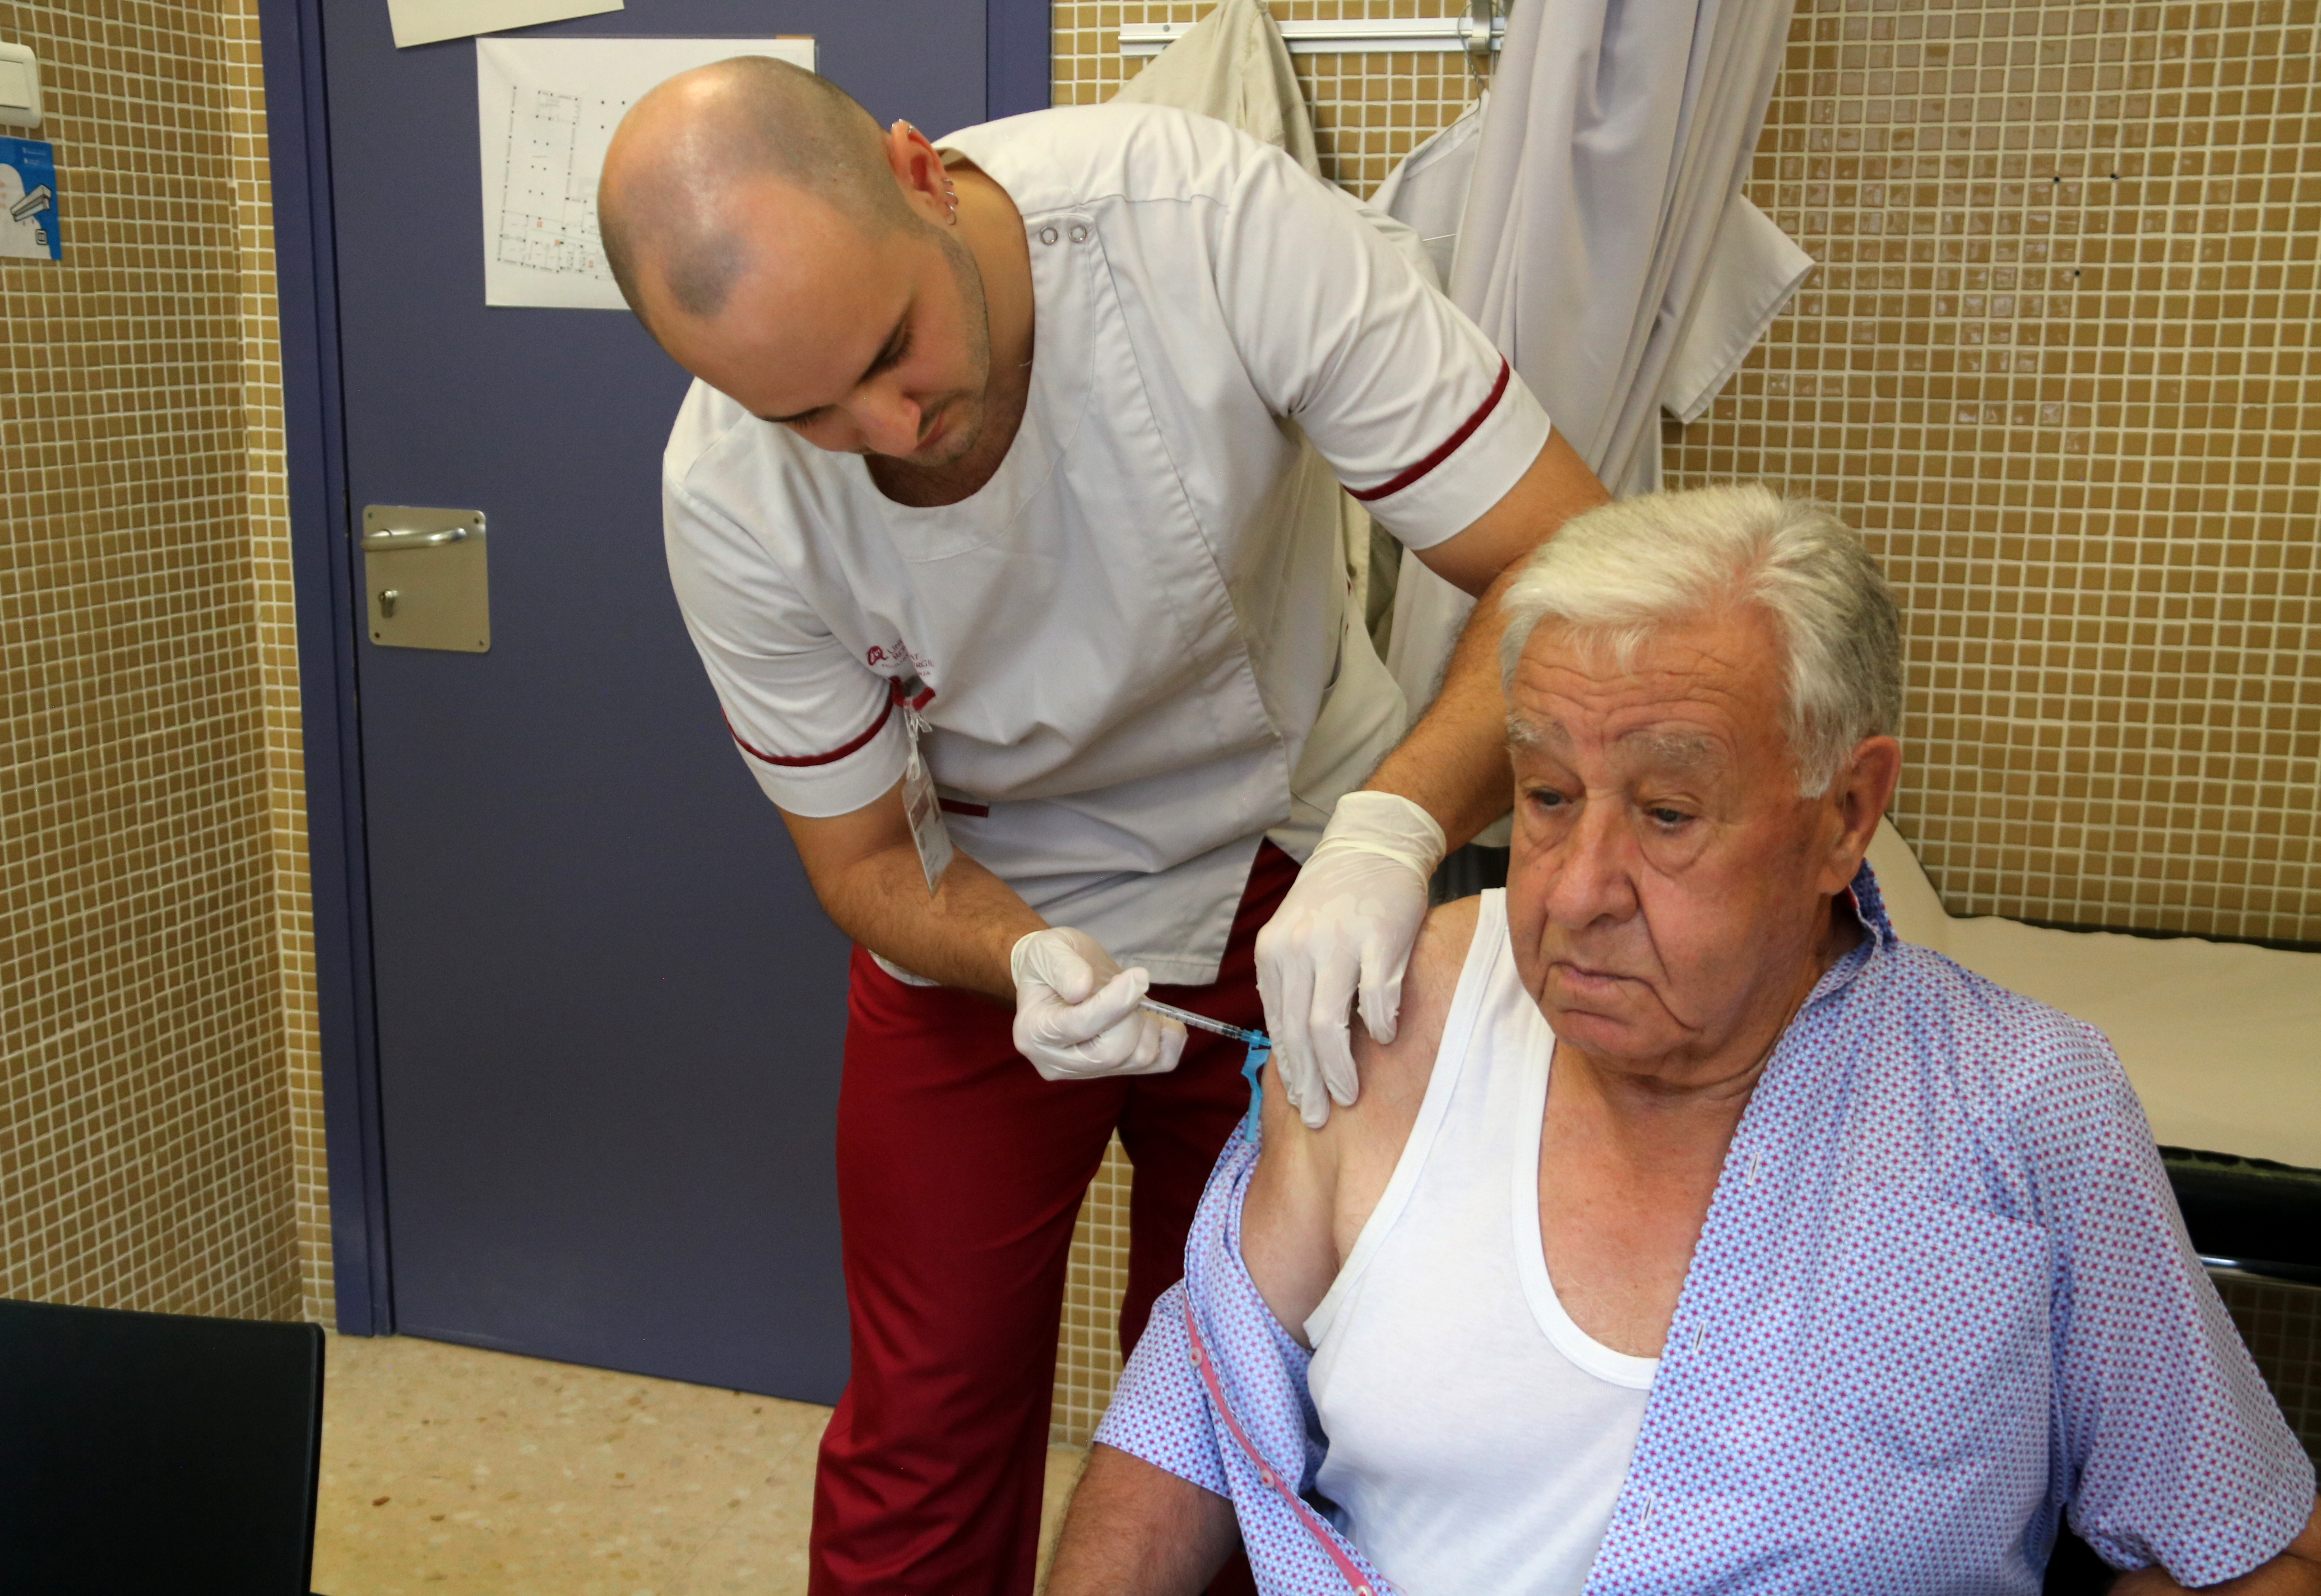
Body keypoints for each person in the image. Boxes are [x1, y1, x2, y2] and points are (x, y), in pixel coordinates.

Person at [595, 58, 1607, 1594]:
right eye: (810, 410)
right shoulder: (731, 502)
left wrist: (1396, 834)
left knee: (1238, 1390)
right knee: (922, 1416)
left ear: (920, 175)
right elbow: (865, 863)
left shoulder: (1203, 227)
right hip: (989, 907)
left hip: (1294, 853)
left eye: (892, 347)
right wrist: (1020, 960)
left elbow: (1563, 563)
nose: (891, 425)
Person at [1048, 484, 2321, 1595]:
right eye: (1546, 796)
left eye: (1666, 811)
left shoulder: (2016, 1108)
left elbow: (2254, 1552)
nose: (1577, 886)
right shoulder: (1404, 1014)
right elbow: (1193, 1414)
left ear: (1845, 817)